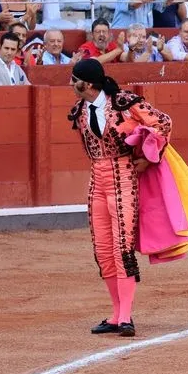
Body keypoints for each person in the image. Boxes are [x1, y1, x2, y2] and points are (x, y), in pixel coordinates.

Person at [66, 58, 170, 338]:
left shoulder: (124, 103)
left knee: (121, 248)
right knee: (103, 250)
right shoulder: (79, 111)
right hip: (97, 182)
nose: (70, 84)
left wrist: (150, 160)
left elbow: (162, 123)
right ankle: (115, 314)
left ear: (86, 84)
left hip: (124, 178)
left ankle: (126, 317)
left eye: (73, 79)